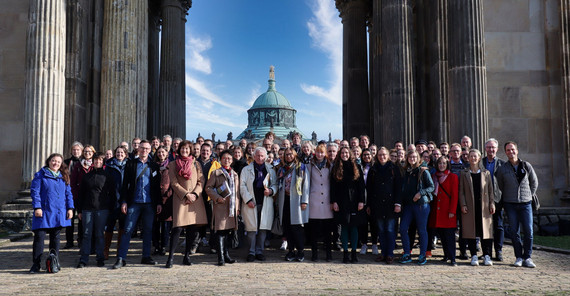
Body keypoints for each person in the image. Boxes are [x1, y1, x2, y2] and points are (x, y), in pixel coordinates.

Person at [112, 140, 162, 269]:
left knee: (148, 231)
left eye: (147, 148)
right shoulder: (131, 164)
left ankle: (145, 256)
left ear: (150, 150)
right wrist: (123, 201)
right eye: (142, 148)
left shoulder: (154, 166)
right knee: (128, 229)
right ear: (138, 149)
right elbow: (125, 185)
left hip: (149, 203)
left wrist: (159, 203)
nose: (144, 150)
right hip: (134, 202)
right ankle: (121, 258)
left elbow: (157, 187)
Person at [29, 153, 74, 273]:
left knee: (56, 238)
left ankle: (54, 262)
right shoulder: (40, 175)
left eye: (58, 162)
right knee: (39, 238)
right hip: (43, 211)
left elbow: (68, 194)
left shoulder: (63, 176)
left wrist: (70, 208)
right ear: (49, 161)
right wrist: (37, 207)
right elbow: (35, 192)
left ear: (61, 164)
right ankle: (36, 264)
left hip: (58, 212)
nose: (56, 164)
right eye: (54, 161)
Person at [165, 140, 207, 268]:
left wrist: (194, 194)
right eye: (183, 149)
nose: (185, 151)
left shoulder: (196, 164)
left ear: (190, 150)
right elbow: (173, 182)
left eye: (187, 149)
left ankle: (186, 256)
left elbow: (201, 180)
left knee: (192, 229)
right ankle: (170, 257)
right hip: (181, 199)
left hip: (195, 199)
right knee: (177, 229)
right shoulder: (172, 164)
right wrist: (185, 194)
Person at [496, 141, 538, 268]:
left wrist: (529, 195)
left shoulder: (526, 165)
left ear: (517, 151)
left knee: (529, 231)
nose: (511, 152)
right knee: (514, 231)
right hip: (510, 204)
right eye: (508, 150)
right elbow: (500, 186)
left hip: (525, 203)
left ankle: (528, 257)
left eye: (512, 149)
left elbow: (534, 182)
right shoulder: (503, 169)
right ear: (505, 152)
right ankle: (519, 256)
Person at [76, 152, 116, 268]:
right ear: (92, 162)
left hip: (102, 209)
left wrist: (111, 209)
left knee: (99, 234)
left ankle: (100, 258)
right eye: (95, 160)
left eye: (99, 160)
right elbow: (81, 194)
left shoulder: (107, 176)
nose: (97, 162)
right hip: (87, 209)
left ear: (102, 162)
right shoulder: (87, 176)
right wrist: (79, 210)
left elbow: (112, 194)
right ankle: (84, 259)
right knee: (87, 234)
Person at [239, 147, 278, 262]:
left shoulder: (271, 169)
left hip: (265, 202)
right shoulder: (246, 170)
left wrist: (271, 191)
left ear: (266, 157)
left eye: (262, 156)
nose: (260, 158)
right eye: (257, 156)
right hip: (251, 203)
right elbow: (242, 186)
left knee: (263, 228)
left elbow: (275, 184)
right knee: (251, 229)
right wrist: (248, 200)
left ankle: (259, 251)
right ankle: (251, 252)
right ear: (253, 156)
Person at [366, 147, 401, 264]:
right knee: (381, 230)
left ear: (388, 155)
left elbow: (398, 188)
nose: (382, 157)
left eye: (384, 154)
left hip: (391, 204)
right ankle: (383, 253)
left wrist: (398, 203)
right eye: (380, 155)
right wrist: (369, 205)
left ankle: (390, 253)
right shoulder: (373, 169)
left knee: (390, 229)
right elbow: (369, 189)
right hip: (377, 204)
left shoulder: (394, 168)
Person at [460, 149, 495, 266]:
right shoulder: (464, 173)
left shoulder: (486, 173)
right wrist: (463, 204)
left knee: (485, 231)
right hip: (470, 206)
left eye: (475, 156)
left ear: (479, 158)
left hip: (484, 206)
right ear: (468, 158)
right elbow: (461, 192)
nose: (473, 158)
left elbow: (490, 190)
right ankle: (474, 255)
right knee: (471, 231)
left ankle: (486, 255)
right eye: (471, 156)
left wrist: (492, 203)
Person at [399, 150, 434, 265]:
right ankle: (407, 253)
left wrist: (420, 193)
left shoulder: (423, 170)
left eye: (414, 157)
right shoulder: (406, 171)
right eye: (410, 157)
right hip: (408, 205)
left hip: (421, 205)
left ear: (418, 158)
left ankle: (422, 254)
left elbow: (431, 187)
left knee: (422, 230)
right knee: (403, 228)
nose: (412, 159)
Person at [205, 150, 240, 266]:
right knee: (220, 231)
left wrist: (237, 207)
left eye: (229, 158)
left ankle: (226, 255)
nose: (227, 160)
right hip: (220, 205)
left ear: (232, 160)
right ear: (220, 160)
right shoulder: (216, 173)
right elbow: (208, 188)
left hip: (231, 207)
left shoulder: (235, 174)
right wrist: (217, 198)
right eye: (224, 158)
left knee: (228, 232)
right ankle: (220, 257)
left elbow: (237, 193)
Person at [331, 147, 365, 263]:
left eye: (346, 153)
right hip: (341, 202)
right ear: (339, 154)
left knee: (354, 227)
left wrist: (361, 201)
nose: (344, 154)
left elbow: (361, 186)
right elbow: (333, 187)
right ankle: (345, 253)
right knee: (344, 226)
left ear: (350, 154)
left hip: (355, 201)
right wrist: (334, 201)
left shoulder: (357, 167)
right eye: (342, 153)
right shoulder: (336, 168)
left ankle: (354, 252)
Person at [276, 148, 310, 262]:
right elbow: (278, 183)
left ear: (294, 155)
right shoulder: (282, 168)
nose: (289, 156)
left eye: (291, 154)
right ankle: (290, 251)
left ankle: (300, 251)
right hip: (284, 200)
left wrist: (304, 201)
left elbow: (306, 185)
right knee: (288, 227)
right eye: (286, 154)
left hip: (296, 201)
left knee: (297, 228)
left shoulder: (301, 167)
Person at [429, 156, 459, 266]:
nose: (442, 165)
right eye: (440, 163)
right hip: (437, 211)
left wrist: (452, 210)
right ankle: (446, 255)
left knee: (450, 236)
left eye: (444, 163)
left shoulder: (453, 177)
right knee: (442, 235)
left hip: (447, 211)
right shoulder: (434, 176)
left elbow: (455, 196)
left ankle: (452, 258)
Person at [307, 144, 334, 261]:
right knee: (314, 231)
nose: (320, 155)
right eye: (318, 152)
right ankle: (314, 253)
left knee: (327, 231)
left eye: (322, 152)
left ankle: (328, 253)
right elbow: (307, 183)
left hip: (327, 200)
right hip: (314, 200)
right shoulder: (309, 165)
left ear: (325, 154)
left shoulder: (330, 165)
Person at [67, 144, 96, 249]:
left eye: (89, 152)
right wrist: (74, 195)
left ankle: (90, 244)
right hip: (79, 196)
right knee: (80, 218)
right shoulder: (78, 166)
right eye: (86, 152)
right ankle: (79, 241)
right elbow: (73, 182)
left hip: (93, 197)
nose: (87, 154)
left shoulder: (96, 164)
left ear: (93, 153)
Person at [103, 145, 128, 260]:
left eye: (122, 152)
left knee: (122, 227)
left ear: (125, 154)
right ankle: (106, 249)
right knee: (110, 226)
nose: (119, 154)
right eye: (117, 152)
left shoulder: (129, 165)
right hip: (112, 200)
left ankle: (119, 250)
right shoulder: (109, 165)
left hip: (124, 200)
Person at [482, 138, 505, 261]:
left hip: (498, 199)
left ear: (497, 149)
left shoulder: (502, 164)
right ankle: (487, 252)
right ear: (485, 149)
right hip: (483, 200)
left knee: (498, 226)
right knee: (485, 226)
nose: (491, 149)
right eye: (488, 147)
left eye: (493, 147)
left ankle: (499, 250)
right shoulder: (481, 163)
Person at [152, 146, 173, 256]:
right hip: (155, 199)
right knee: (155, 225)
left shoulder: (171, 166)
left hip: (167, 200)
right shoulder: (153, 166)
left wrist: (169, 192)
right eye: (159, 152)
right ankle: (156, 246)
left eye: (163, 152)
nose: (161, 154)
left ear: (167, 153)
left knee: (165, 226)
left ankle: (164, 246)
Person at [359, 148, 378, 255]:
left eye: (368, 155)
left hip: (373, 198)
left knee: (374, 223)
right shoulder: (359, 167)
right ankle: (364, 244)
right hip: (362, 198)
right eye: (364, 155)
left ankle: (374, 244)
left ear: (371, 156)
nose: (366, 157)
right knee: (363, 224)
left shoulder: (375, 167)